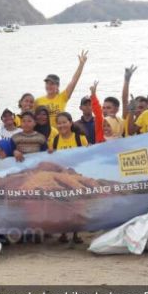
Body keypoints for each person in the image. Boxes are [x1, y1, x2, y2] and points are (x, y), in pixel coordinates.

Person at [50, 112, 88, 244]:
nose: (61, 125)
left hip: (75, 177)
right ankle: (64, 233)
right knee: (63, 204)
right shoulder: (55, 140)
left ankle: (76, 234)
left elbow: (87, 157)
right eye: (59, 123)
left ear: (71, 123)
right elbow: (53, 158)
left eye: (64, 122)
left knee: (76, 205)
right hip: (62, 177)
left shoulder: (80, 139)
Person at [35, 50, 88, 126]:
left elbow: (74, 81)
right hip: (44, 135)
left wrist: (81, 64)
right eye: (47, 83)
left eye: (52, 84)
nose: (49, 86)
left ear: (57, 86)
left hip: (60, 133)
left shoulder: (62, 97)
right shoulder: (38, 101)